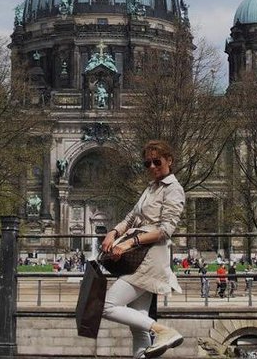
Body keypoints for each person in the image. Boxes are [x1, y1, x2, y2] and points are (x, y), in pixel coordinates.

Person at [101, 140, 185, 359]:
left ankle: (164, 331)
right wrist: (113, 232)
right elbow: (132, 216)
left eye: (157, 161)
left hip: (149, 258)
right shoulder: (151, 187)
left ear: (169, 160)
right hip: (139, 257)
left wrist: (129, 242)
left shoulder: (174, 189)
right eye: (147, 163)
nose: (152, 167)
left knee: (106, 306)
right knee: (138, 325)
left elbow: (165, 230)